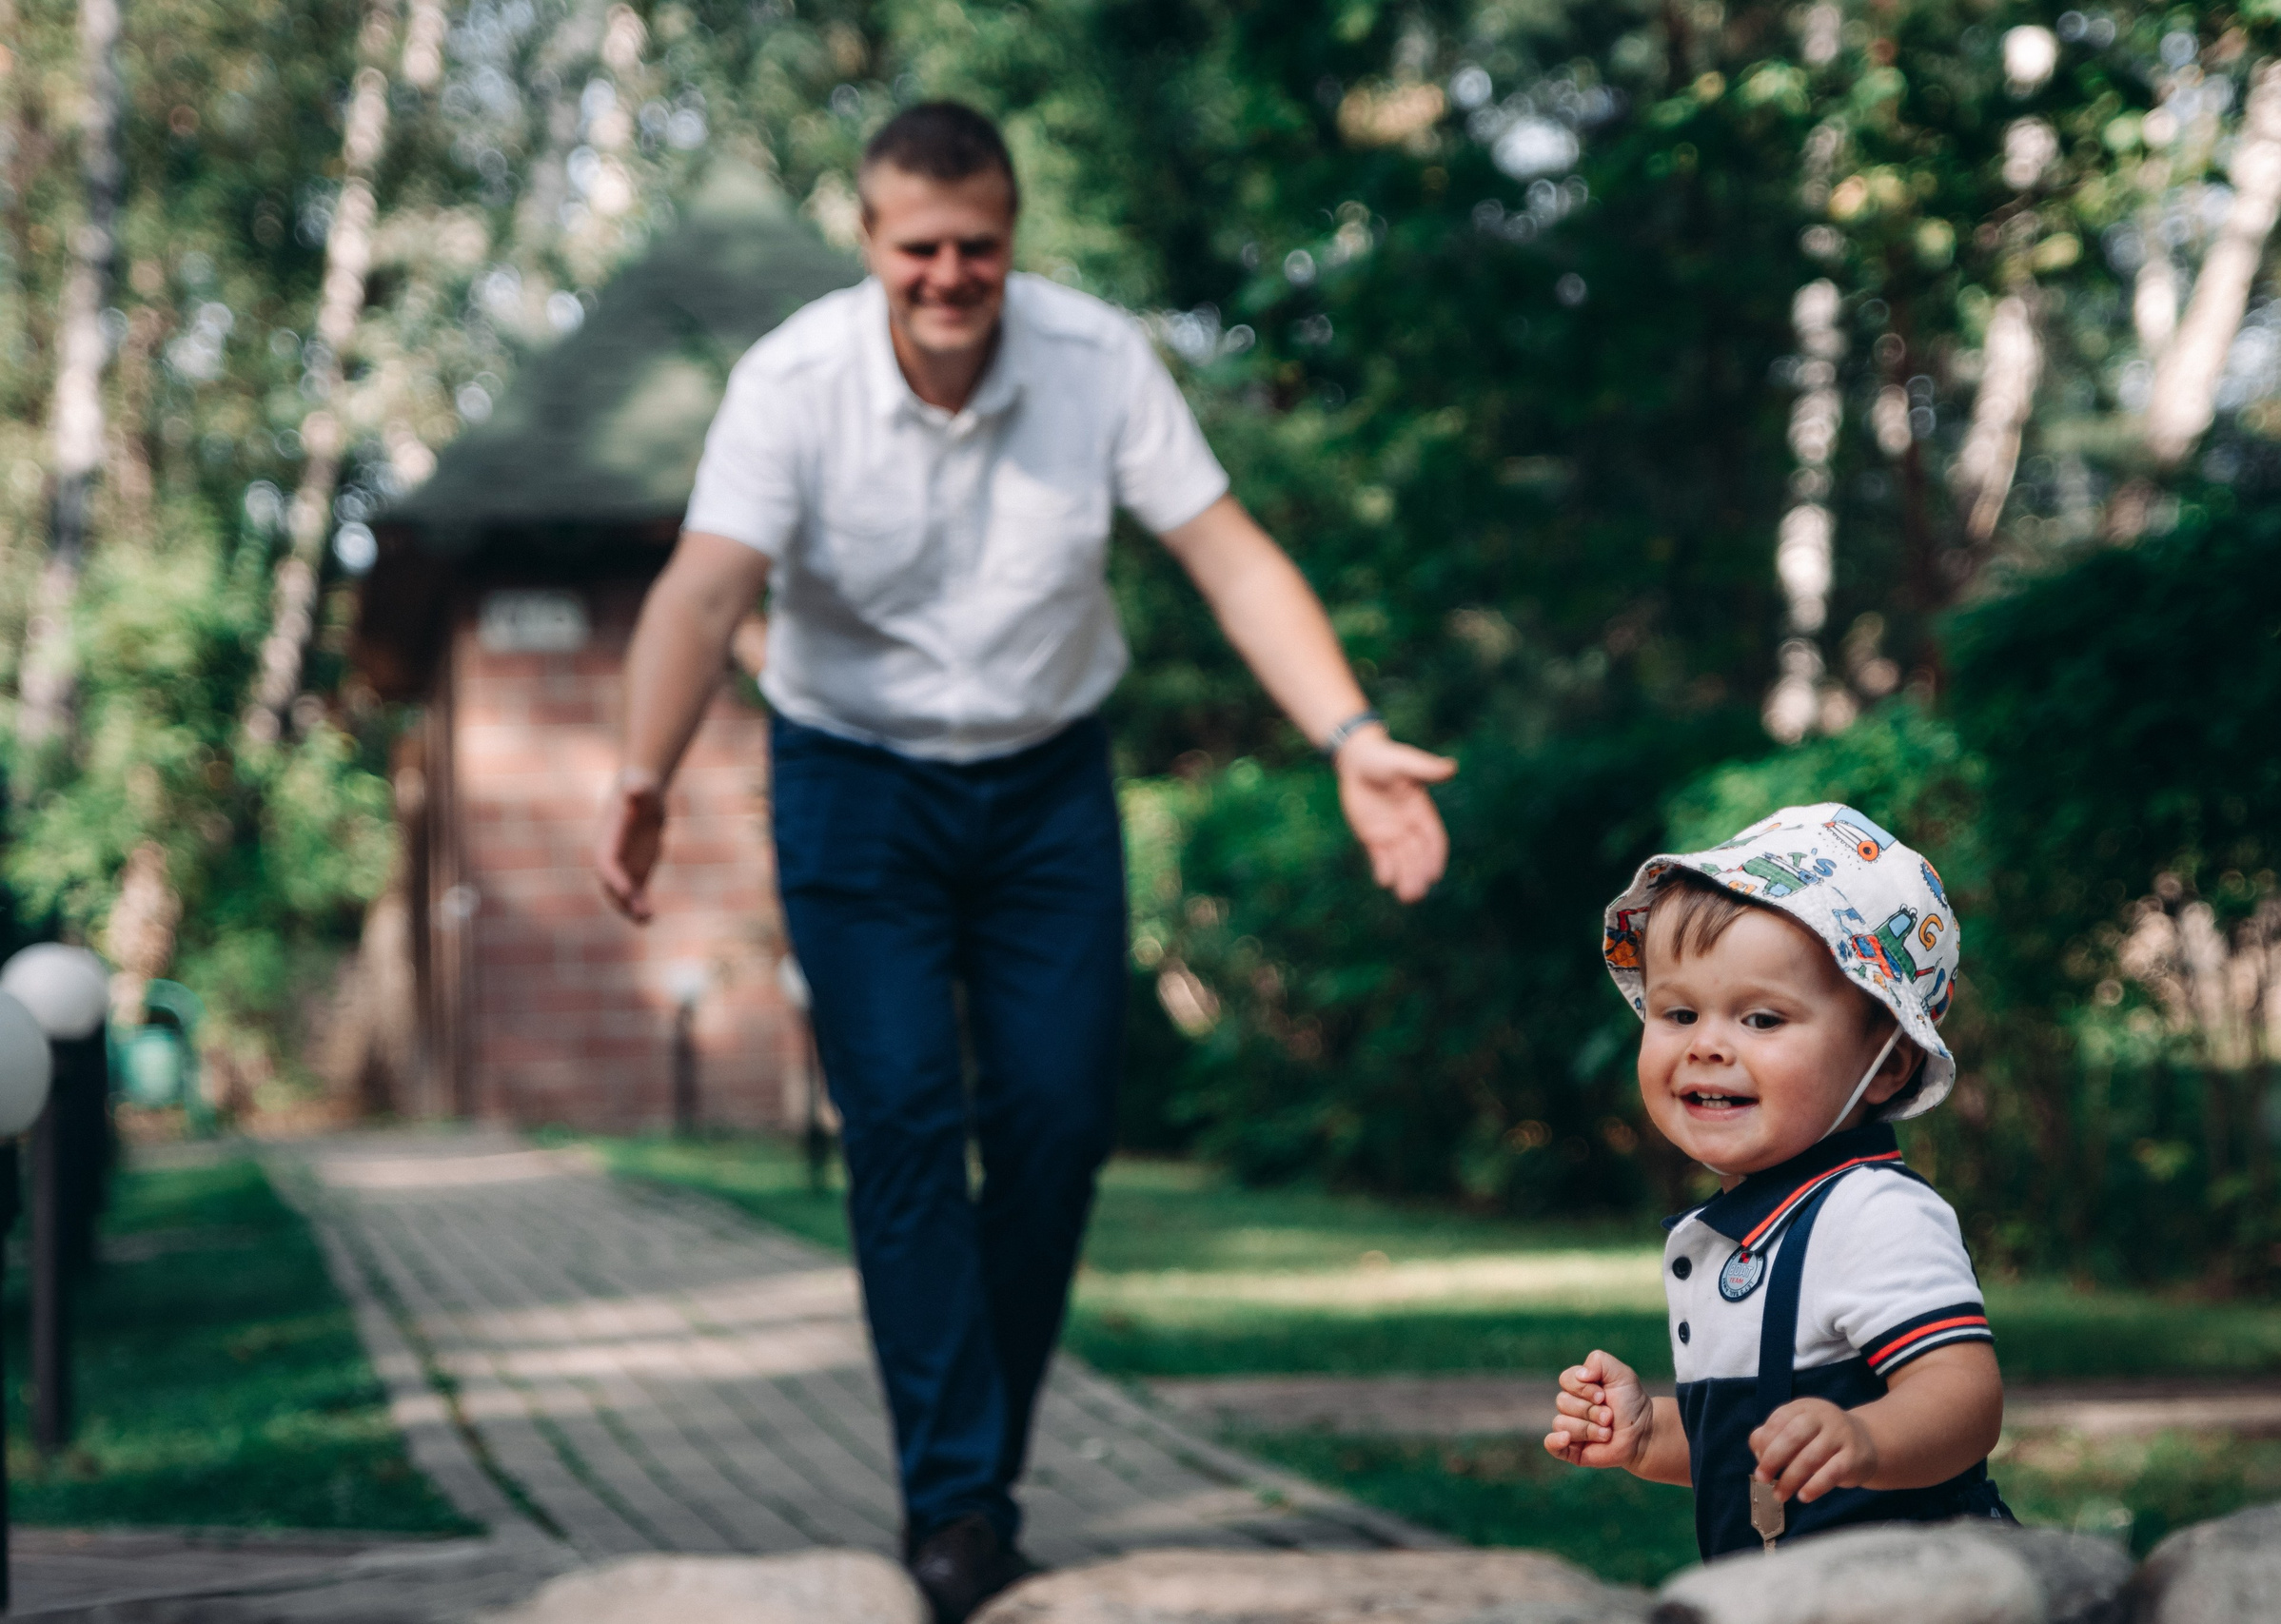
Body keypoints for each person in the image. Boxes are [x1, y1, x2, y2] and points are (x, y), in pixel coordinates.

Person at [591, 101, 1455, 1619]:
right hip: (853, 780)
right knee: (905, 1123)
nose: (950, 275)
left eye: (977, 246)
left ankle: (969, 1471)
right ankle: (959, 1504)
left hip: (1047, 778)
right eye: (919, 247)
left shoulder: (1094, 358)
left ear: (1012, 235)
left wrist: (1350, 731)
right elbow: (703, 588)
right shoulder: (793, 383)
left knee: (1057, 1116)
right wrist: (644, 772)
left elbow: (1226, 550)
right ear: (870, 240)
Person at [1543, 803, 2009, 1560]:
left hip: (1909, 1587)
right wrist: (1651, 1432)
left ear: (1887, 1064)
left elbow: (1964, 1397)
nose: (1707, 1045)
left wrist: (1867, 1437)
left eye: (1761, 1019)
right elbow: (1755, 1453)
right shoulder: (1745, 1229)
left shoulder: (1872, 1210)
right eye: (1679, 1012)